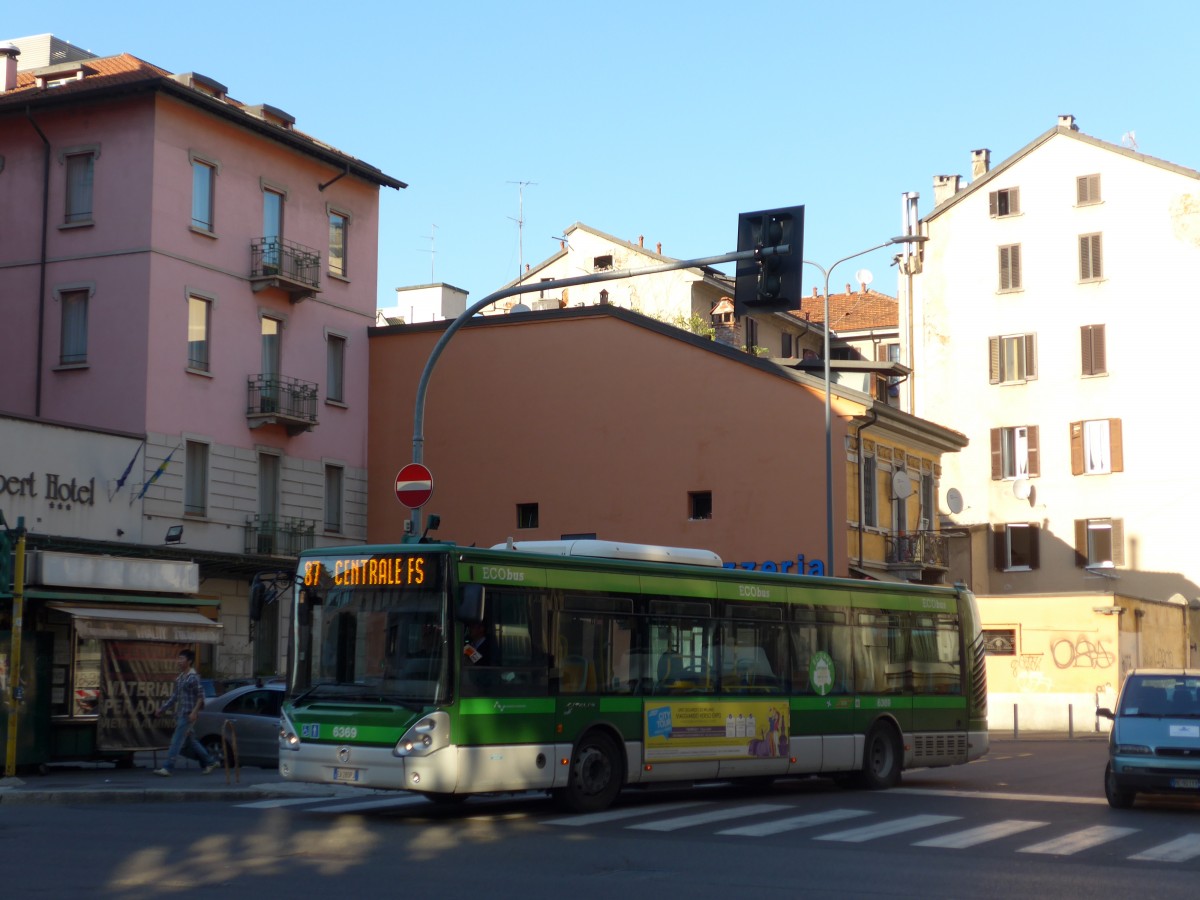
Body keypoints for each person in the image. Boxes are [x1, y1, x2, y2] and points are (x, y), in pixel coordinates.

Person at [153, 648, 218, 776]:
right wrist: (162, 709)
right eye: (178, 658)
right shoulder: (181, 678)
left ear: (189, 661)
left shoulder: (193, 678)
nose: (179, 661)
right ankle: (210, 762)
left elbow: (201, 696)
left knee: (176, 741)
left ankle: (168, 767)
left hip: (188, 715)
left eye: (182, 659)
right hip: (182, 713)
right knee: (191, 741)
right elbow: (174, 697)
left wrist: (194, 713)